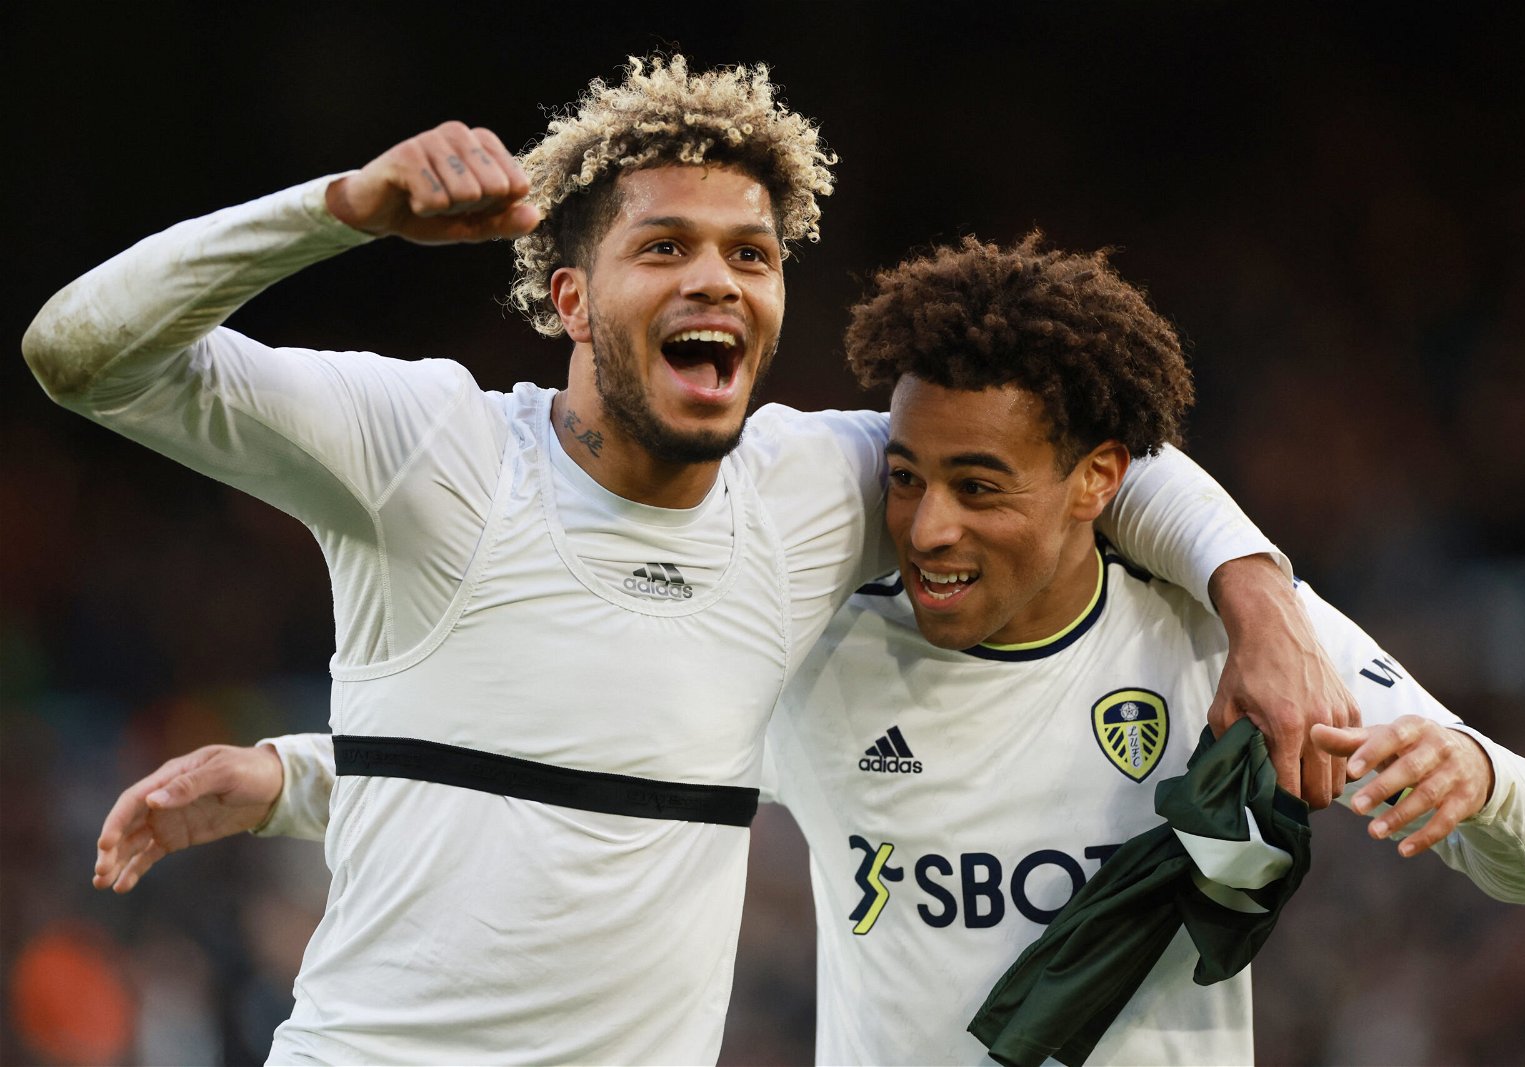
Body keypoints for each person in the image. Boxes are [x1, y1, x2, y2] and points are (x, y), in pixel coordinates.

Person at [32, 58, 1352, 1064]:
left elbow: (1088, 446)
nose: (716, 280)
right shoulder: (426, 451)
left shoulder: (818, 487)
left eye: (751, 255)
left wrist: (1261, 603)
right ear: (567, 297)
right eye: (664, 247)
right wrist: (338, 211)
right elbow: (82, 353)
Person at [116, 235, 1525, 1064]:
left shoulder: (1241, 643)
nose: (925, 525)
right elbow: (573, 755)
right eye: (906, 474)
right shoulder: (825, 654)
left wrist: (1466, 776)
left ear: (1098, 482)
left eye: (980, 486)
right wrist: (290, 775)